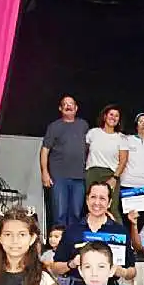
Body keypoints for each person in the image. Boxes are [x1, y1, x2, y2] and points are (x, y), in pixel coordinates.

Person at [52, 181, 136, 285]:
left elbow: (132, 271)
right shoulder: (71, 230)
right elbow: (55, 268)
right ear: (87, 200)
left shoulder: (120, 231)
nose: (97, 202)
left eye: (102, 198)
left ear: (109, 203)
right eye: (93, 197)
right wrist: (71, 264)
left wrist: (122, 272)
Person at [40, 95, 89, 227]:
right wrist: (45, 172)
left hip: (79, 177)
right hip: (59, 177)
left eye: (71, 104)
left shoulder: (83, 125)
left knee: (76, 214)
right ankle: (59, 244)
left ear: (76, 108)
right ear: (60, 108)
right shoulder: (54, 126)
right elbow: (45, 150)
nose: (68, 106)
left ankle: (73, 245)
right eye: (65, 104)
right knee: (59, 214)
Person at [85, 104, 128, 222]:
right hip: (92, 172)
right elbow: (84, 152)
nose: (113, 117)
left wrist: (115, 177)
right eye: (111, 114)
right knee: (92, 206)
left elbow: (123, 161)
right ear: (104, 116)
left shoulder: (121, 138)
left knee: (112, 208)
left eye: (116, 116)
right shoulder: (93, 133)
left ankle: (120, 237)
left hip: (111, 174)